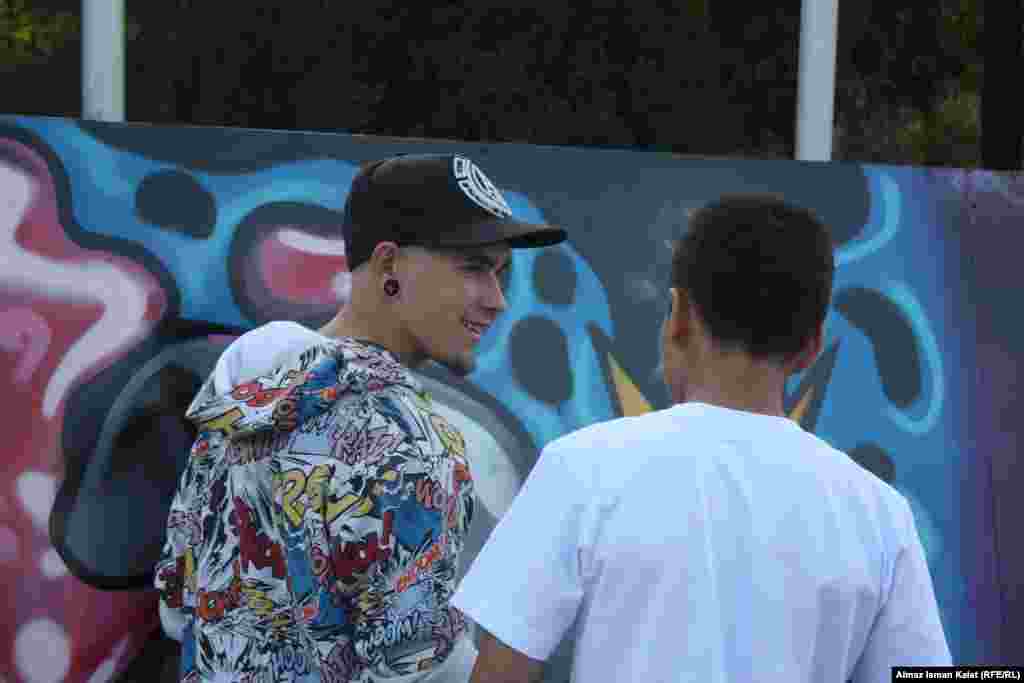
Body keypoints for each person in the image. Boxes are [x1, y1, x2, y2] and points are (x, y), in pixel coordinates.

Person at [451, 194, 952, 682]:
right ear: (813, 345)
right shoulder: (881, 515)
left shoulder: (580, 470)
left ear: (679, 316)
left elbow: (499, 674)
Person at [154, 153, 566, 683]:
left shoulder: (244, 395)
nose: (497, 300)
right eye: (473, 267)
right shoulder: (408, 441)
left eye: (501, 273)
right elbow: (418, 667)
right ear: (389, 265)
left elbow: (176, 601)